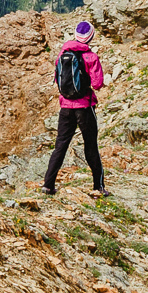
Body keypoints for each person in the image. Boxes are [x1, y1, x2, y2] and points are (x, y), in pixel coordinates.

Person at [44, 19, 107, 197]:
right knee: (91, 145)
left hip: (65, 107)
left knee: (60, 145)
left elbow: (58, 79)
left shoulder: (63, 54)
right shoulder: (91, 57)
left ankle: (48, 185)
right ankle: (98, 186)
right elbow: (98, 83)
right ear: (90, 37)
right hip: (84, 107)